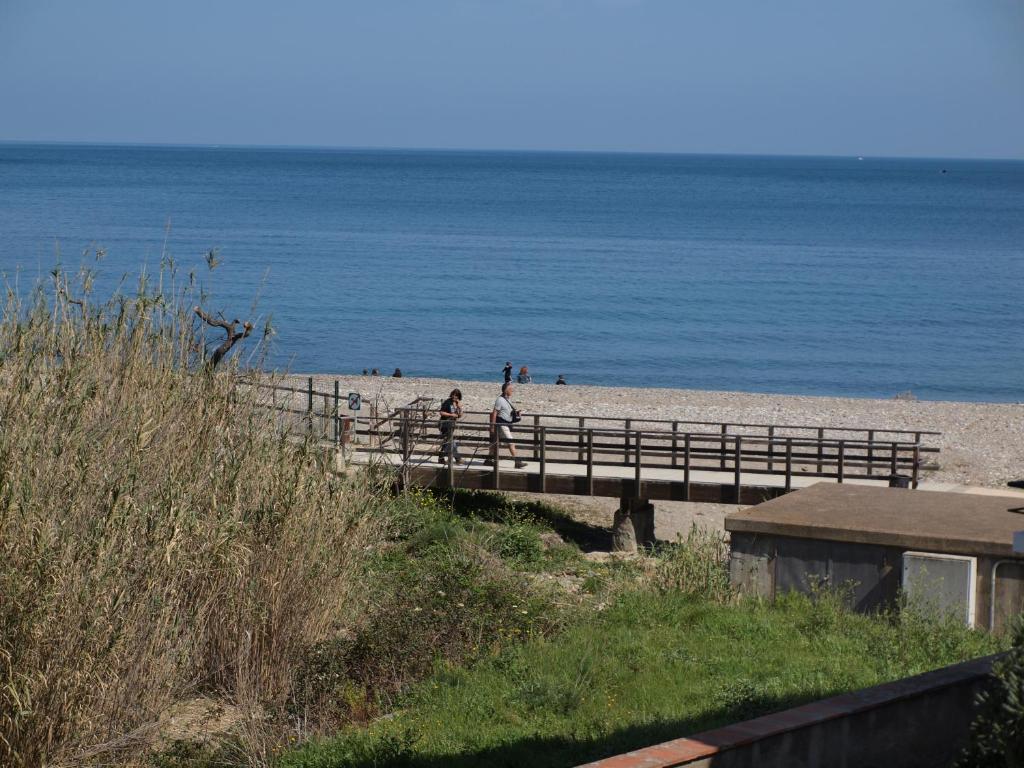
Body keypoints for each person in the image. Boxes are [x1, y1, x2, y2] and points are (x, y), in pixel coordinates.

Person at [490, 381, 527, 468]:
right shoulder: (499, 400)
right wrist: (492, 426)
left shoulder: (508, 399)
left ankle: (488, 459)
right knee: (511, 442)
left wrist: (516, 413)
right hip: (501, 424)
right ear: (506, 390)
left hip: (506, 424)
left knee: (495, 442)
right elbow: (494, 413)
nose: (512, 391)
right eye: (511, 389)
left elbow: (507, 411)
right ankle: (517, 461)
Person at [438, 388, 464, 464]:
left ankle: (441, 459)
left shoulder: (457, 403)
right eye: (453, 395)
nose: (454, 397)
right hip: (445, 424)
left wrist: (460, 407)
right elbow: (441, 412)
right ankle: (458, 458)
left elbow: (460, 415)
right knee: (451, 441)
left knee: (446, 442)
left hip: (452, 425)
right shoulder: (447, 402)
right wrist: (451, 414)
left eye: (456, 396)